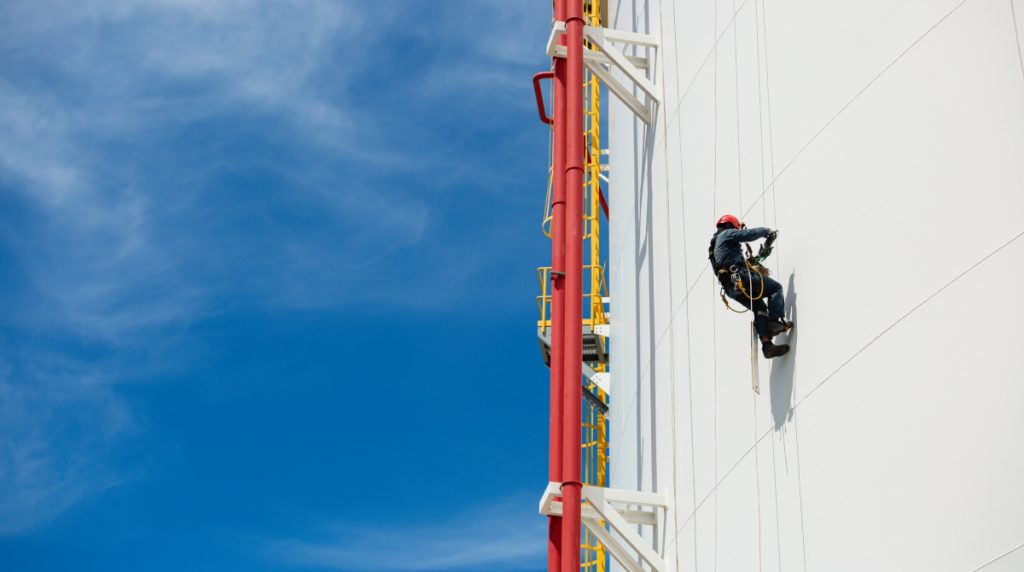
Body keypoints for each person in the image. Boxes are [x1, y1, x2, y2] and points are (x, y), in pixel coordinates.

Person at [709, 214, 793, 358]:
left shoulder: (716, 247)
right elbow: (749, 234)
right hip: (740, 278)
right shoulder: (727, 234)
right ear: (731, 226)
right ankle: (774, 322)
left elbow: (740, 263)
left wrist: (758, 257)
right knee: (775, 288)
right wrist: (767, 231)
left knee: (759, 307)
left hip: (731, 288)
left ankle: (767, 346)